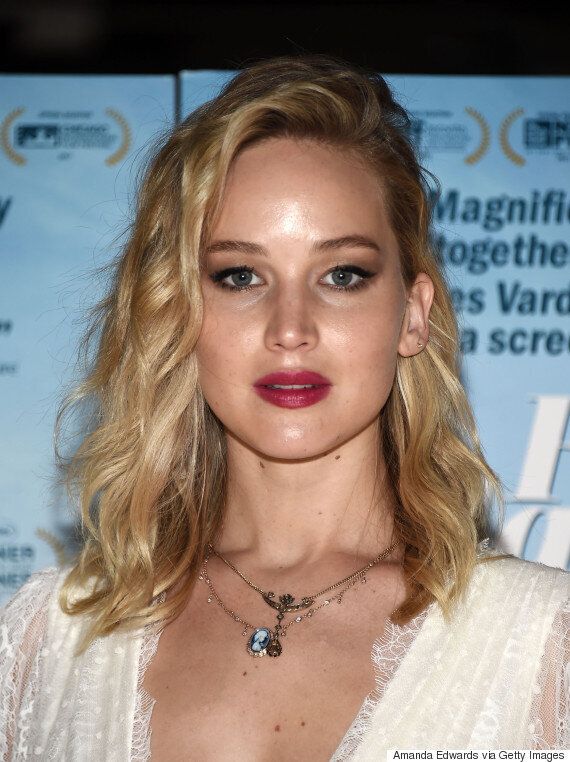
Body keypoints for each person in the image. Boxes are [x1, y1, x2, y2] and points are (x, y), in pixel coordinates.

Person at [0, 55, 568, 761]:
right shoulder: (44, 644)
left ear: (413, 314)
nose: (290, 328)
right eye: (240, 276)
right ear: (176, 311)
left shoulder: (543, 646)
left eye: (342, 275)